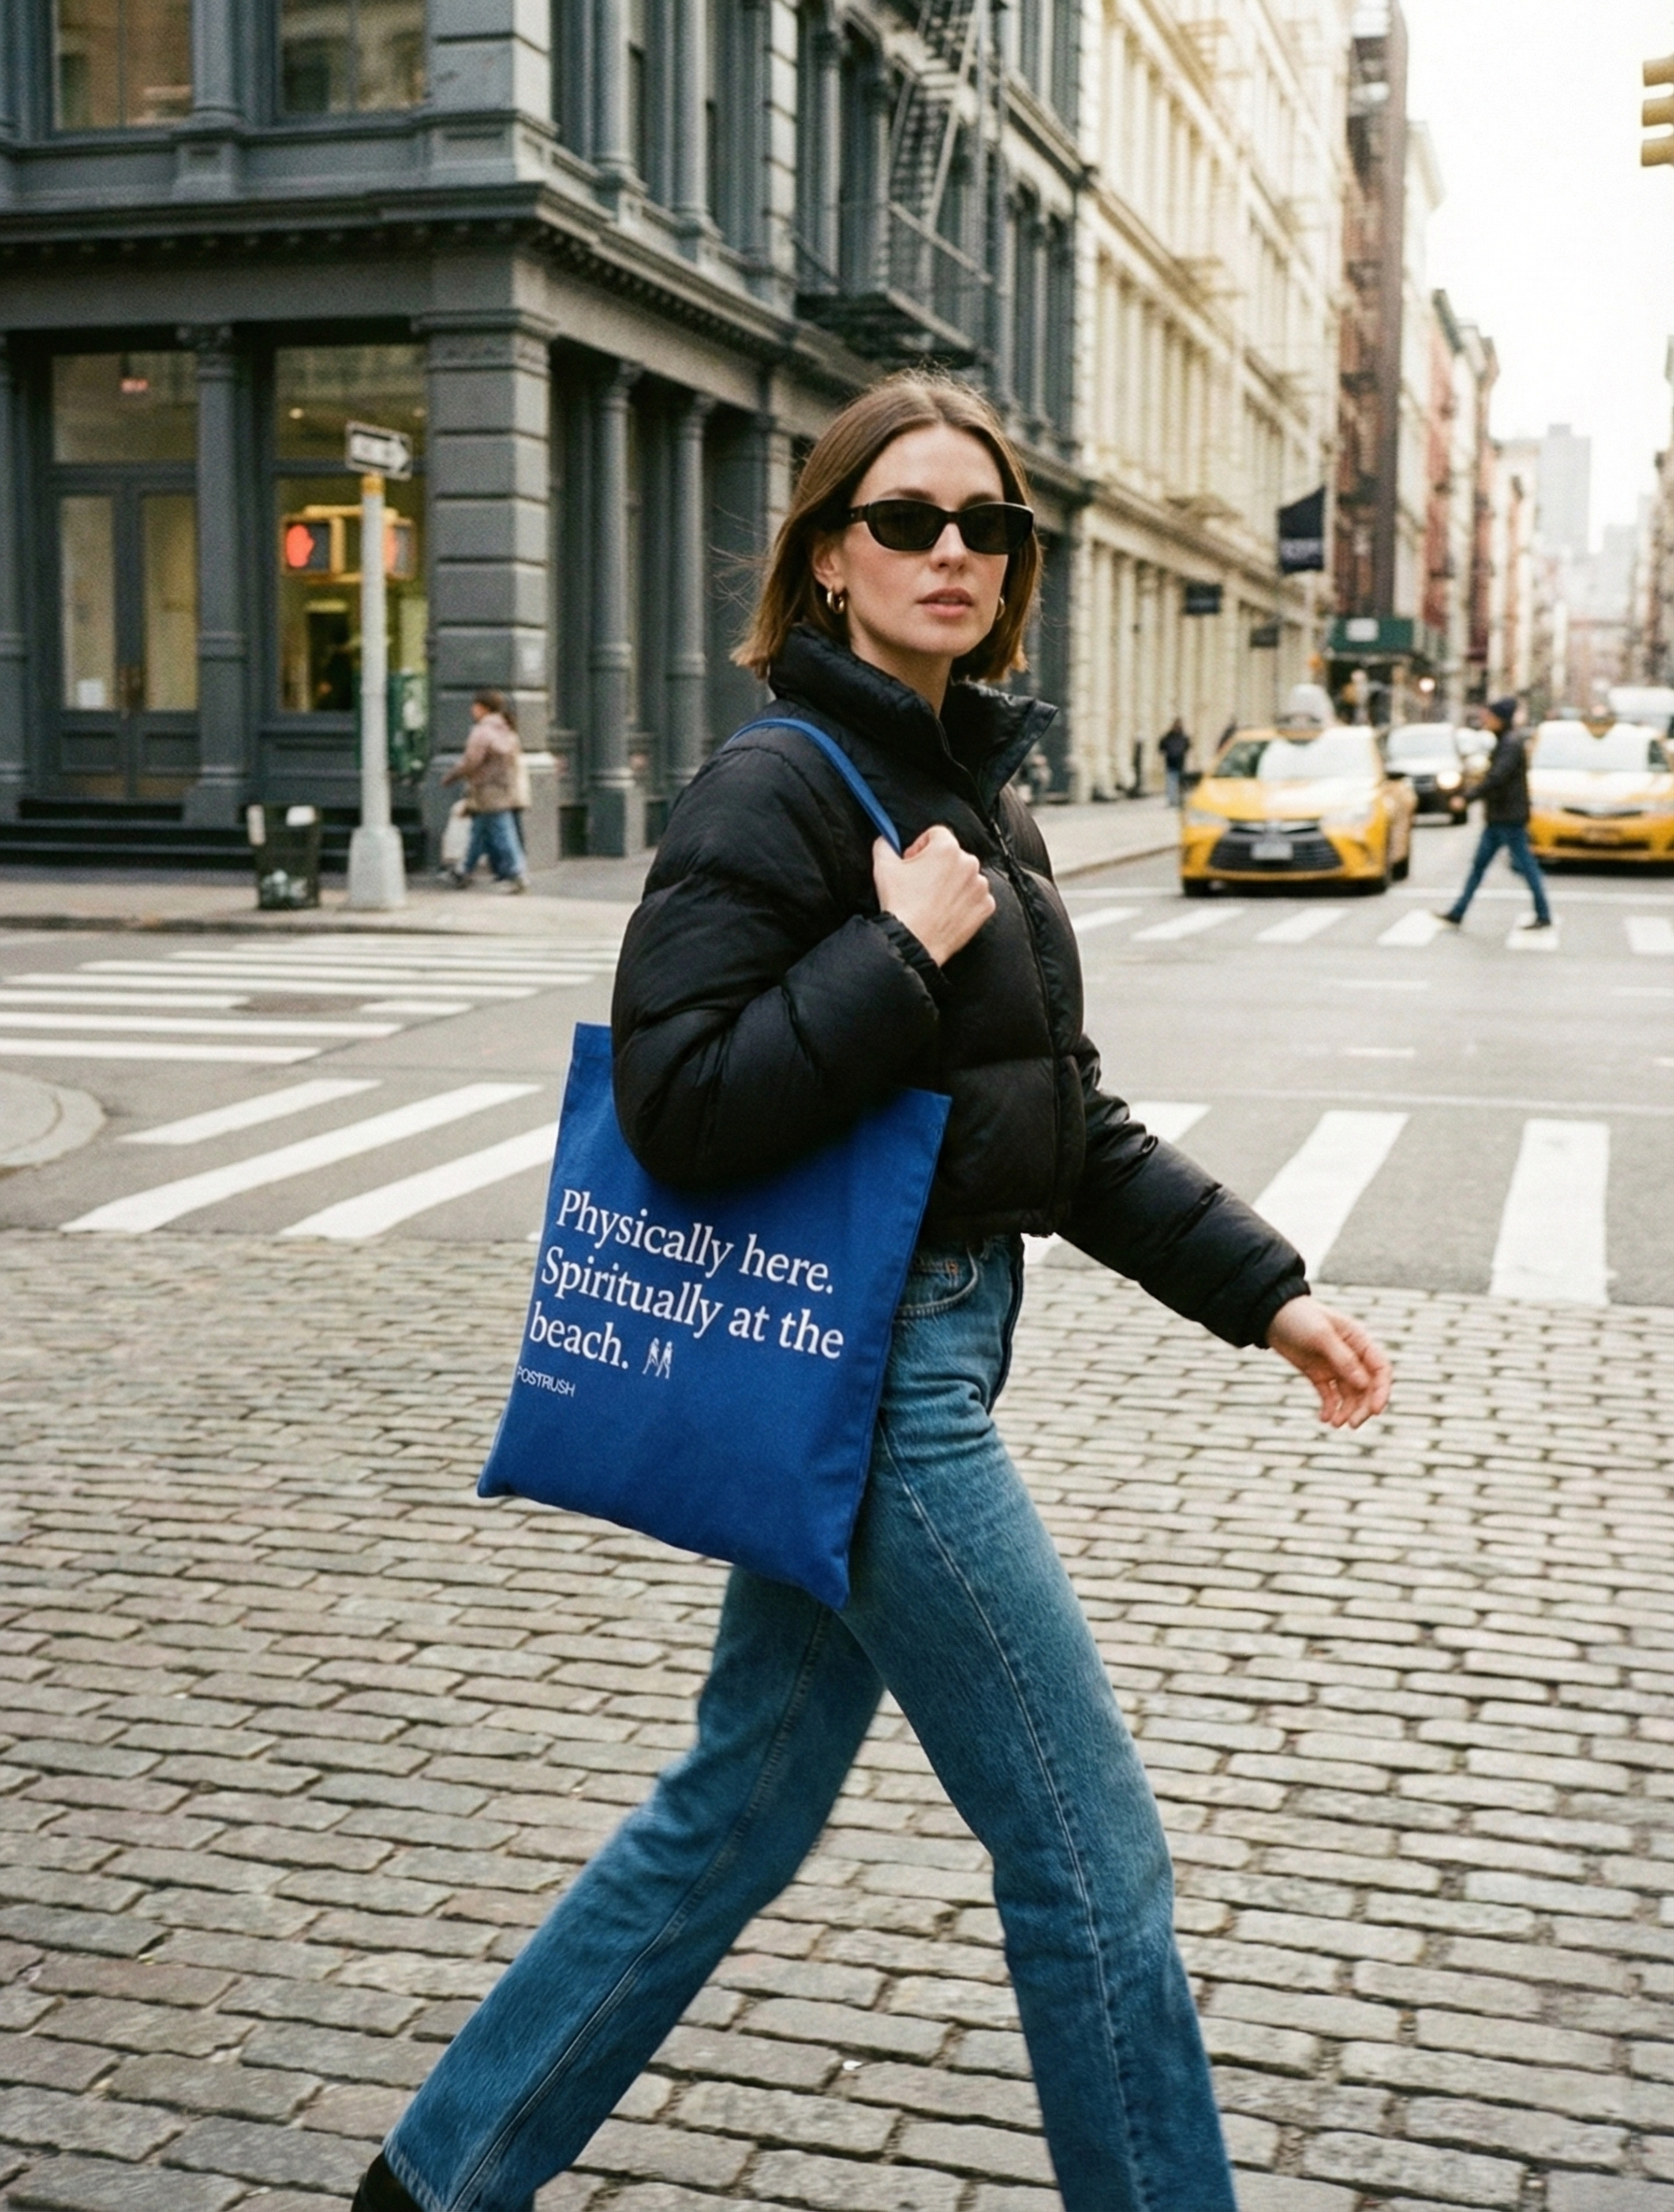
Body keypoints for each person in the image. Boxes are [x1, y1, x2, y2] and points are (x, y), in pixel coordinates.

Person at [351, 372, 1391, 2212]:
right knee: (1087, 1855)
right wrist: (895, 954)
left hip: (890, 1357)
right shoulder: (773, 782)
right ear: (827, 557)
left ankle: (444, 2174)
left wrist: (1267, 1292)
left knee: (730, 1813)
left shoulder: (970, 789)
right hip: (872, 1376)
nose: (949, 552)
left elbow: (1058, 1128)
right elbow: (675, 1106)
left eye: (984, 526)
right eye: (903, 520)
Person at [1436, 695, 1552, 931]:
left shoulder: (1510, 743)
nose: (1484, 719)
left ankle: (1543, 913)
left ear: (1501, 718)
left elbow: (1496, 778)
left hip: (1508, 818)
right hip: (1500, 817)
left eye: (1489, 715)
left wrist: (1466, 798)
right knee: (1481, 866)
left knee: (1526, 866)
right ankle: (1458, 912)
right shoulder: (1505, 741)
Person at [440, 689, 532, 893]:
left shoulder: (482, 731)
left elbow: (472, 761)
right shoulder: (506, 729)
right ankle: (463, 871)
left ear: (483, 708)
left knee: (502, 833)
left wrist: (452, 775)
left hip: (486, 791)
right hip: (503, 789)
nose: (472, 710)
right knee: (478, 832)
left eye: (475, 706)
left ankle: (518, 875)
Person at [1159, 716, 1192, 805]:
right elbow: (1161, 747)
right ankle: (1172, 800)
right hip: (1171, 762)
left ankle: (1179, 799)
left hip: (1180, 762)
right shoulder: (1168, 737)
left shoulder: (1183, 737)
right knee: (1171, 782)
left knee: (1179, 783)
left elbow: (1188, 746)